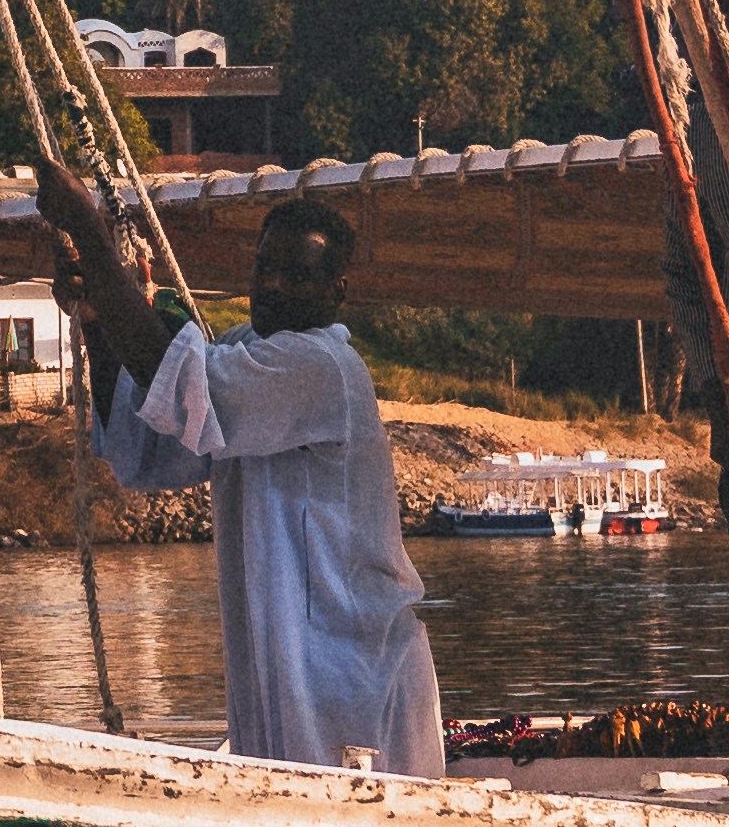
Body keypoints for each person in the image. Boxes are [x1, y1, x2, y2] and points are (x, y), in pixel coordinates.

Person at [40, 173, 443, 783]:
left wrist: (94, 242)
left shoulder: (324, 367)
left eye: (297, 275)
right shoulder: (241, 353)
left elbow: (182, 383)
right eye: (264, 269)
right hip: (281, 671)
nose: (274, 287)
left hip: (349, 675)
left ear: (337, 292)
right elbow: (147, 450)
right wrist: (100, 324)